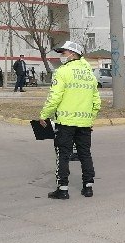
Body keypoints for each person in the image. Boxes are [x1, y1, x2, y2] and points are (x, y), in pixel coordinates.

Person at [38, 41, 100, 200]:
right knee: (85, 154)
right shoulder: (89, 74)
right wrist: (90, 119)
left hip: (65, 122)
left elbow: (54, 97)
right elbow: (96, 102)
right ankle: (88, 187)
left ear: (73, 54)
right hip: (85, 124)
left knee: (63, 155)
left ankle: (63, 188)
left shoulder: (62, 72)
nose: (61, 56)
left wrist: (44, 114)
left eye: (63, 53)